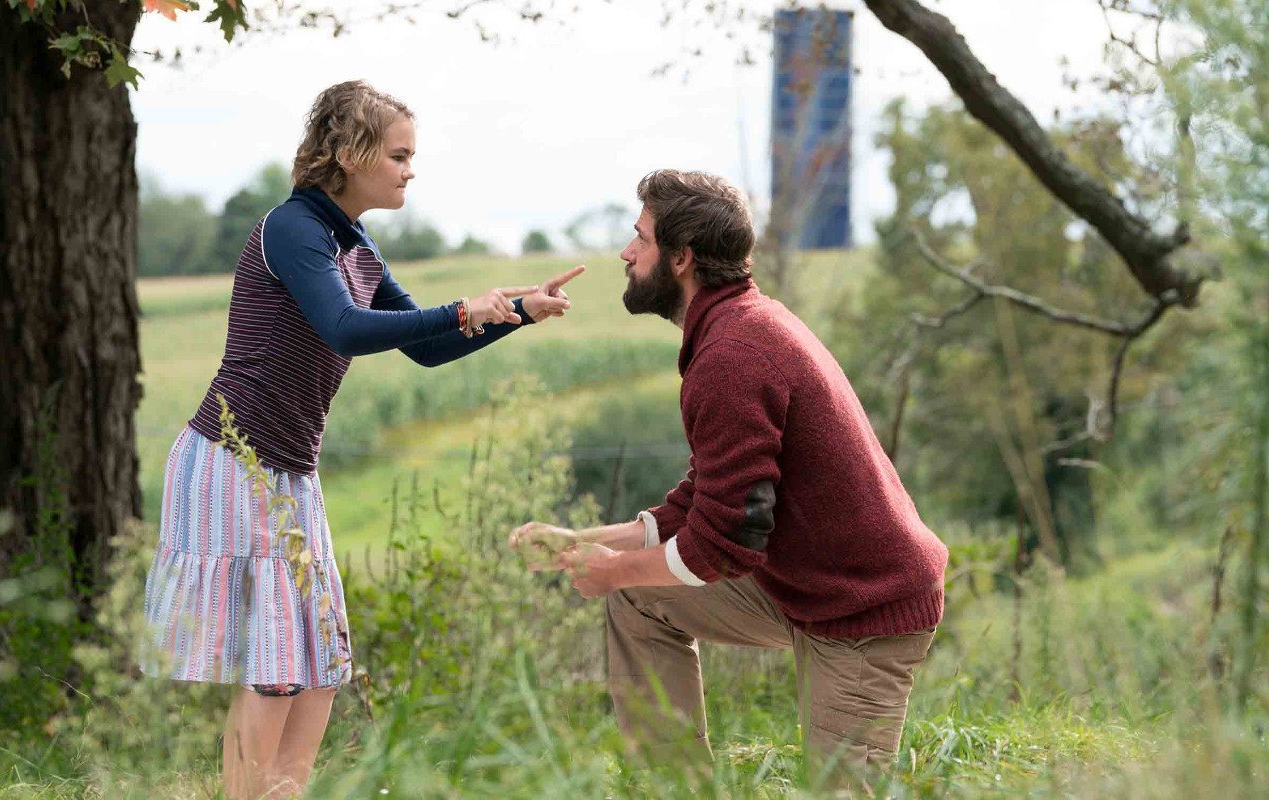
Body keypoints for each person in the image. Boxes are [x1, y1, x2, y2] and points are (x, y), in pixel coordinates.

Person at [143, 79, 583, 800]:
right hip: (233, 460)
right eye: (400, 154)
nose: (412, 169)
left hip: (288, 470)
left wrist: (518, 314)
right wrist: (459, 308)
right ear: (350, 153)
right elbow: (344, 327)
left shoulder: (355, 241)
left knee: (319, 663)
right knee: (279, 665)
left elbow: (428, 348)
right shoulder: (294, 229)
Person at [510, 169, 947, 783]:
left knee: (839, 794)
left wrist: (611, 572)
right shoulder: (733, 329)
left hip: (863, 608)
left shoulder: (735, 352)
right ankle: (676, 788)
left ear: (682, 257)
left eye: (641, 238)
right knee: (639, 597)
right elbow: (702, 504)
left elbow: (726, 542)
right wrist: (582, 546)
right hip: (803, 585)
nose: (626, 253)